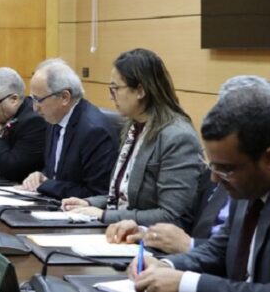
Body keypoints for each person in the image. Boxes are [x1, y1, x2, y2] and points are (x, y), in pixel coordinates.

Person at [129, 87, 270, 292]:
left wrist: (185, 283)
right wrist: (166, 266)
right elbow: (220, 250)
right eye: (212, 165)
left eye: (225, 169)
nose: (214, 178)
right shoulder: (250, 180)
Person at [105, 75, 270, 254]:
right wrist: (147, 233)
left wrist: (189, 247)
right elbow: (189, 224)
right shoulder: (226, 165)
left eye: (225, 168)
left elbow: (237, 259)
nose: (214, 176)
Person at [62, 48, 203, 227]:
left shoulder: (177, 137)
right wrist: (90, 203)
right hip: (120, 231)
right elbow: (123, 196)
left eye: (115, 89)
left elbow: (172, 216)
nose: (110, 96)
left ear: (140, 91)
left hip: (149, 243)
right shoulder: (133, 125)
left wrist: (104, 215)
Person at [20, 59, 119, 199]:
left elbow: (97, 193)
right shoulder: (54, 117)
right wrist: (40, 176)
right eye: (32, 99)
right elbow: (57, 172)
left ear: (65, 97)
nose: (35, 108)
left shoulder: (94, 131)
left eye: (39, 100)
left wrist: (47, 185)